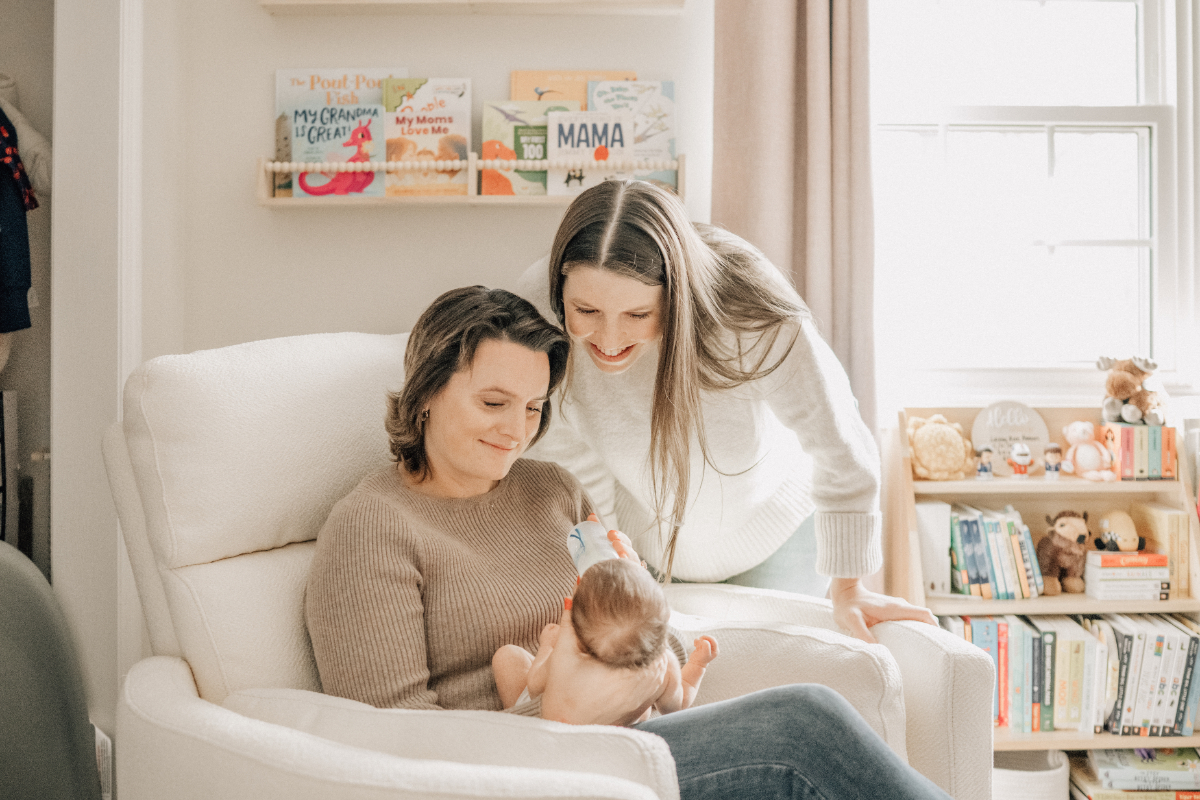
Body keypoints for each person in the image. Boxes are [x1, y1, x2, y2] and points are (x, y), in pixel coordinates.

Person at [305, 285, 952, 800]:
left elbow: (650, 628)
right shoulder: (371, 529)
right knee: (804, 727)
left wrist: (644, 656)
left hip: (632, 740)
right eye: (494, 402)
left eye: (532, 408)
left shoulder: (552, 490)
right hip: (525, 776)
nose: (515, 431)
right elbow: (393, 744)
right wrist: (571, 712)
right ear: (425, 396)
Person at [514, 179, 934, 641]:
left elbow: (837, 435)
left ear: (676, 293)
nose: (609, 341)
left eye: (637, 315)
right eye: (586, 311)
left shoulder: (746, 302)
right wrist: (608, 559)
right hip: (643, 544)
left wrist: (850, 584)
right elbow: (569, 454)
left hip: (775, 538)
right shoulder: (536, 304)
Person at [492, 556, 719, 723]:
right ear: (667, 618)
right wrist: (697, 666)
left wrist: (547, 646)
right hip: (613, 740)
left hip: (545, 725)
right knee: (647, 713)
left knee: (507, 657)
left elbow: (534, 686)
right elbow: (676, 706)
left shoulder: (568, 659)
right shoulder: (665, 665)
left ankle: (518, 726)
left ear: (577, 638)